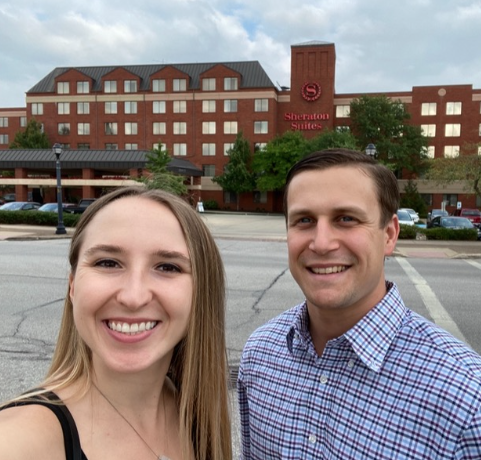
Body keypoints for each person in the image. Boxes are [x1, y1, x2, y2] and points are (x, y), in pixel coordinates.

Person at [238, 148, 481, 459]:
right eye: (304, 220)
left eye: (346, 219)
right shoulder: (260, 355)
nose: (321, 243)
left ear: (389, 234)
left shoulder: (466, 400)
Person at [0, 185, 232, 460]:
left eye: (168, 267)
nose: (133, 297)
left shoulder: (193, 411)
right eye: (108, 263)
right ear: (73, 286)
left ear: (202, 293)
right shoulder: (18, 441)